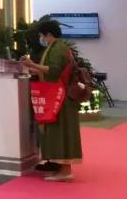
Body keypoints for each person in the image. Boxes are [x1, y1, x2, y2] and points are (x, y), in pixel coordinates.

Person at [22, 20, 82, 181]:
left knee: (61, 132)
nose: (41, 39)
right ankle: (62, 169)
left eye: (42, 36)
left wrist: (33, 65)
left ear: (48, 34)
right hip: (60, 95)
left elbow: (54, 70)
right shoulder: (59, 47)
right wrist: (34, 68)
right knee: (61, 132)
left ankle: (65, 171)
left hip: (60, 96)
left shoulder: (57, 48)